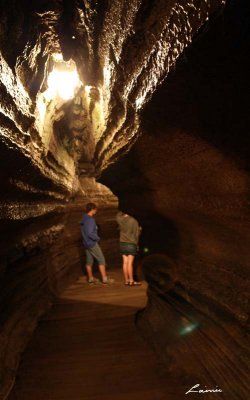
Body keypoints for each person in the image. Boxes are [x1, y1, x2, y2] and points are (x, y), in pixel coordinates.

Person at [80, 203, 114, 284]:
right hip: (92, 243)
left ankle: (91, 278)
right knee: (101, 260)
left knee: (89, 261)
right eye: (95, 209)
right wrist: (97, 238)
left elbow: (84, 232)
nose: (96, 211)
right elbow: (90, 233)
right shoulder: (90, 220)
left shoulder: (84, 218)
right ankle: (105, 279)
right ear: (92, 209)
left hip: (86, 243)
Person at [116, 211, 142, 286]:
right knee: (130, 263)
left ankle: (126, 281)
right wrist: (139, 230)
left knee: (125, 262)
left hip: (122, 243)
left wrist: (121, 211)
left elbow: (117, 215)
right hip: (131, 243)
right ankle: (131, 281)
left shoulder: (119, 219)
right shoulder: (134, 221)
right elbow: (136, 234)